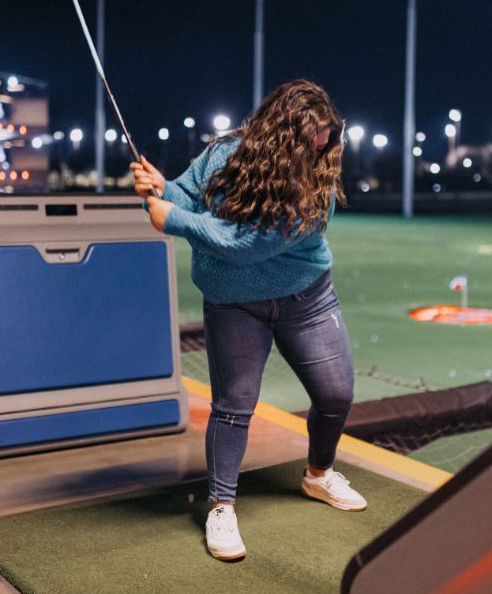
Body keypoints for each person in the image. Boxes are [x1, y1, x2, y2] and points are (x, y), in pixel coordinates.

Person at [130, 79, 366, 562]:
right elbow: (190, 195)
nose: (321, 152)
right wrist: (162, 189)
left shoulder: (314, 183)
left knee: (335, 394)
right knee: (234, 405)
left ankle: (319, 474)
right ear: (281, 135)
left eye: (326, 142)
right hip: (233, 303)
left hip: (306, 299)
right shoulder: (224, 154)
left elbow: (242, 244)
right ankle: (221, 506)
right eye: (312, 142)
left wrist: (171, 218)